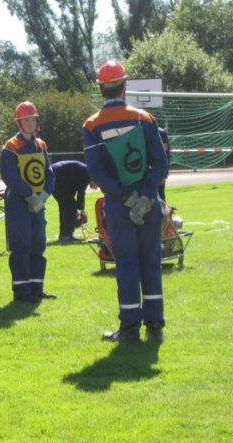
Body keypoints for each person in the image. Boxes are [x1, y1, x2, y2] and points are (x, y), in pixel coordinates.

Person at [82, 60, 168, 343]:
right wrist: (144, 195)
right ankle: (155, 326)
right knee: (151, 263)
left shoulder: (92, 125)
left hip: (119, 206)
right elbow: (160, 164)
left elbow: (96, 171)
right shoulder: (145, 119)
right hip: (149, 203)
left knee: (127, 265)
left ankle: (129, 328)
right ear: (125, 85)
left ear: (100, 89)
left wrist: (126, 197)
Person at [0, 101, 56, 303]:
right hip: (18, 203)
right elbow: (10, 176)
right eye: (27, 120)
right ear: (19, 123)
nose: (31, 123)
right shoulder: (11, 147)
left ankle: (37, 288)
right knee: (21, 245)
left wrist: (44, 195)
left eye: (33, 119)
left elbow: (49, 173)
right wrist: (29, 195)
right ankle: (22, 292)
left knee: (38, 244)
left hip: (38, 204)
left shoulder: (41, 145)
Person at [50, 160, 95, 242]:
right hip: (58, 177)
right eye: (97, 185)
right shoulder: (87, 174)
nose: (95, 188)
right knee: (70, 206)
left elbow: (73, 191)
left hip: (56, 176)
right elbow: (81, 192)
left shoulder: (85, 172)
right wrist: (81, 210)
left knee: (66, 206)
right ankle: (66, 235)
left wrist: (76, 210)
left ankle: (64, 234)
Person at [158, 127, 171, 201]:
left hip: (160, 166)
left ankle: (164, 210)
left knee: (161, 193)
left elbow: (165, 152)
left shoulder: (161, 133)